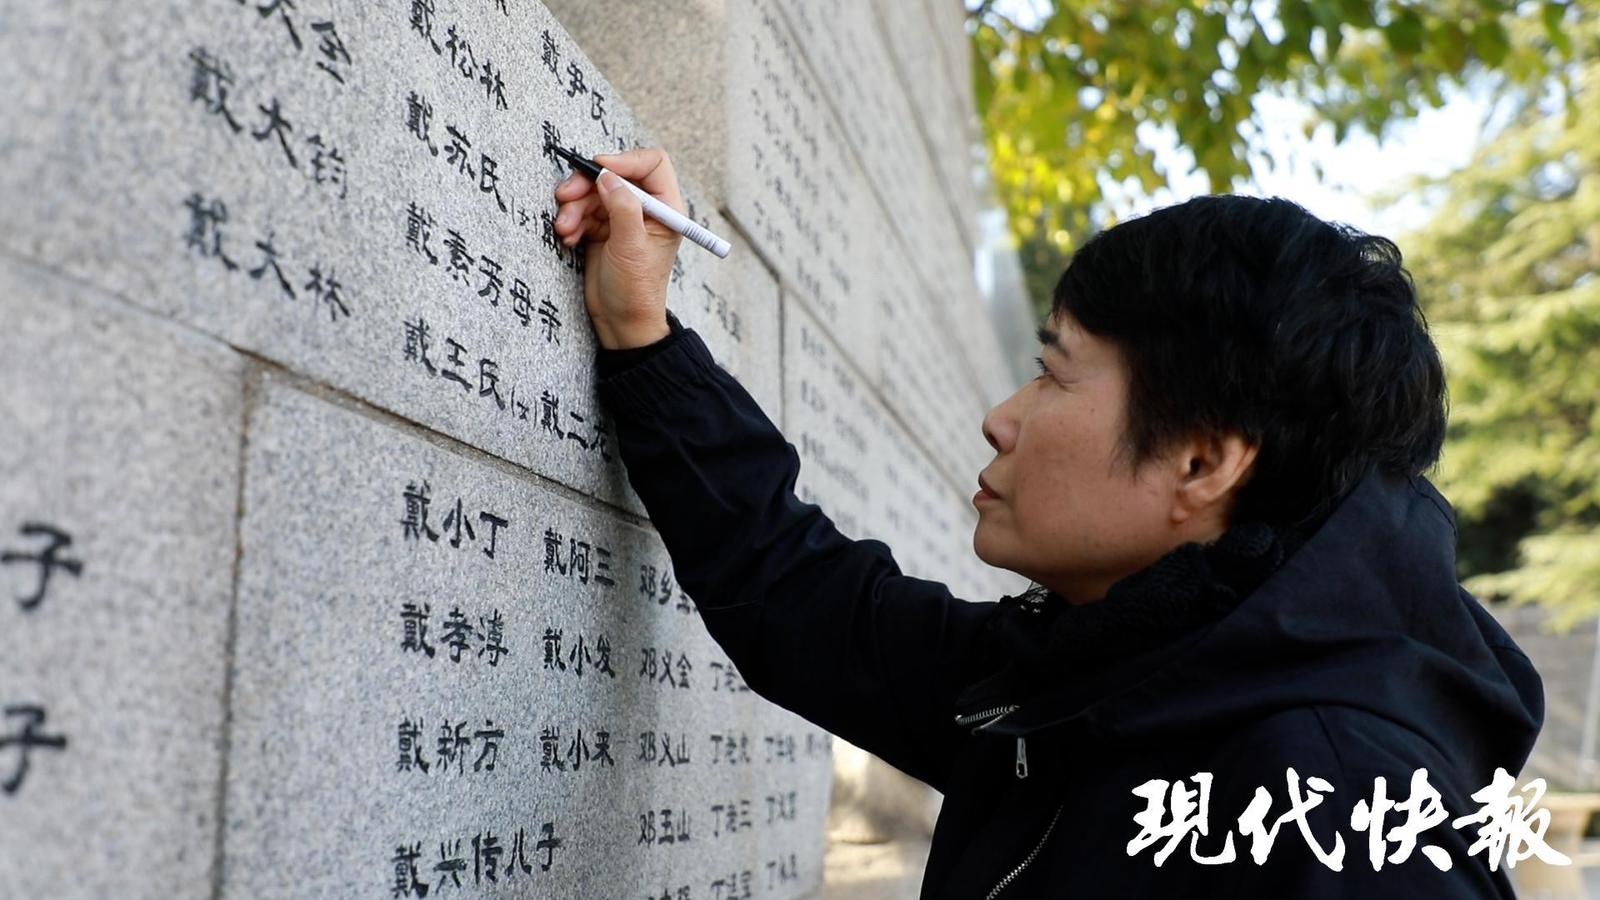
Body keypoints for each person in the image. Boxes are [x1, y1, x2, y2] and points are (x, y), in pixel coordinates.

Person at [553, 148, 1545, 897]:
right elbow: (806, 600)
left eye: (1053, 373)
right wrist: (641, 332)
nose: (1002, 416)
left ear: (1201, 463)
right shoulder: (1109, 670)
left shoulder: (1339, 816)